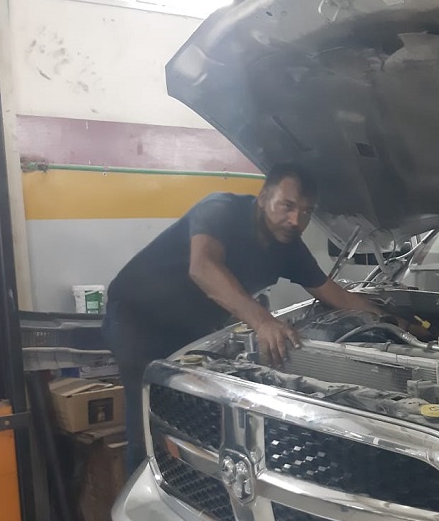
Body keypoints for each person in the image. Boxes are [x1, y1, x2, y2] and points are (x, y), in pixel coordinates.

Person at [103, 164, 388, 473]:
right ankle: (146, 488)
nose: (296, 220)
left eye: (306, 212)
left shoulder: (288, 246)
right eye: (287, 206)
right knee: (148, 420)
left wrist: (390, 319)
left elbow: (335, 295)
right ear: (263, 197)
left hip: (191, 326)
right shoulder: (221, 209)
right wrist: (263, 321)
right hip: (138, 316)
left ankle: (195, 484)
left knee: (196, 419)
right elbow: (203, 267)